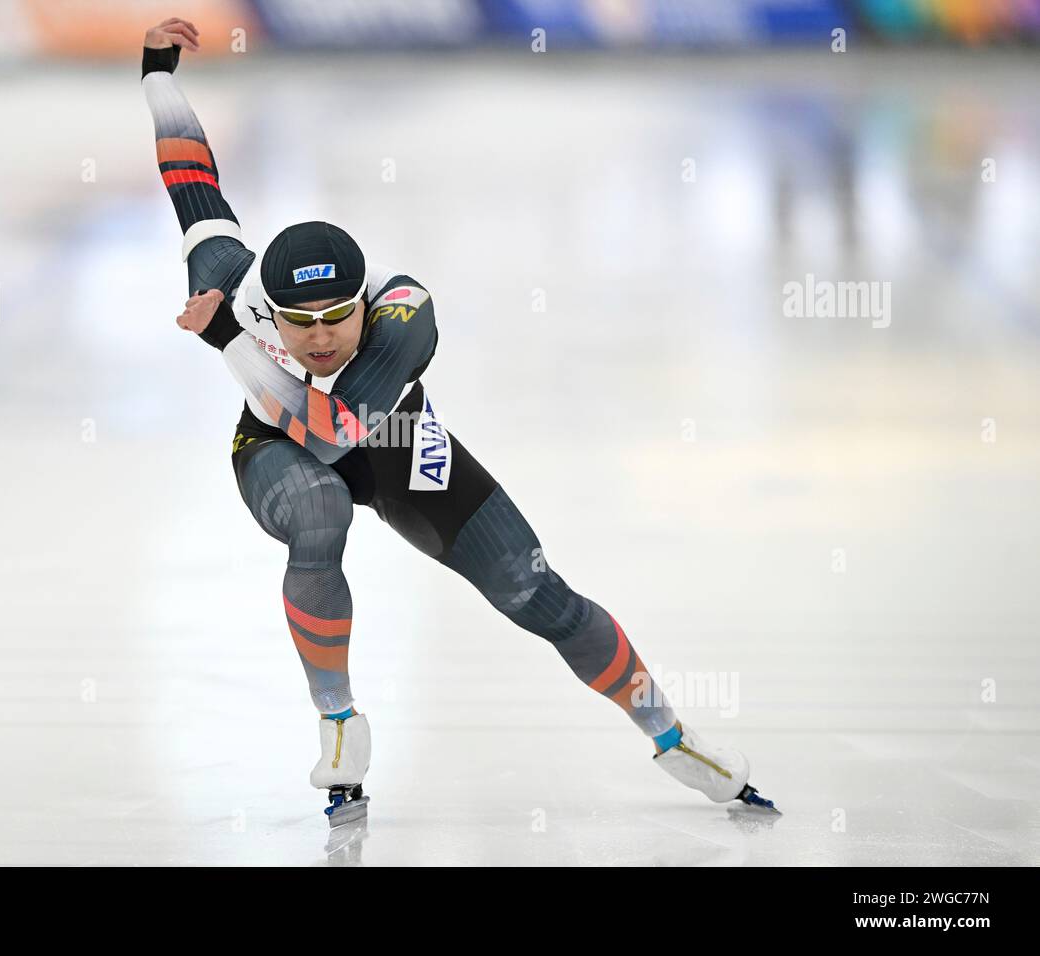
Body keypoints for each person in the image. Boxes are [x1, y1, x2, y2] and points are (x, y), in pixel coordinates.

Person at [141, 16, 777, 824]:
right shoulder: (230, 285)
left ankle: (672, 735)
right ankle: (339, 721)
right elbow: (192, 178)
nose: (324, 336)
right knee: (318, 511)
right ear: (270, 310)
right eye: (302, 325)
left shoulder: (405, 317)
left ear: (367, 300)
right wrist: (158, 72)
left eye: (340, 316)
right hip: (274, 449)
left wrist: (231, 344)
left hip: (395, 441)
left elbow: (337, 430)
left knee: (538, 594)